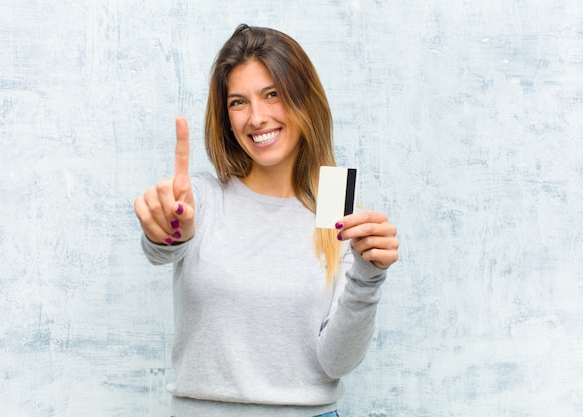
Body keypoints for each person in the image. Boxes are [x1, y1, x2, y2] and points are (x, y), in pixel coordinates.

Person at [134, 24, 399, 417]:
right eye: (238, 102)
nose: (257, 118)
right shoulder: (202, 196)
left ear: (304, 99)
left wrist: (369, 275)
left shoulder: (335, 206)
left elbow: (336, 363)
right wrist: (169, 234)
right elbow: (163, 247)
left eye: (272, 95)